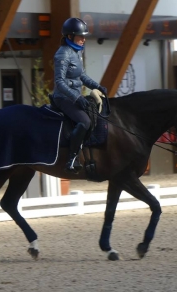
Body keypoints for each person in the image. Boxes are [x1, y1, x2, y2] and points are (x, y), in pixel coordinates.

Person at [52, 17, 107, 174]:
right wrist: (77, 98)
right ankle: (72, 159)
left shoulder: (76, 52)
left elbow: (82, 76)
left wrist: (97, 86)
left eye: (84, 36)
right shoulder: (62, 54)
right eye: (80, 36)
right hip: (63, 98)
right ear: (70, 36)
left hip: (75, 96)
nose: (84, 39)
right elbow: (60, 82)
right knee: (84, 121)